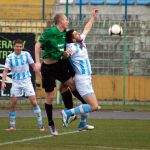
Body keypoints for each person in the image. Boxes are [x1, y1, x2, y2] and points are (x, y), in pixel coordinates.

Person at [34, 13, 93, 135]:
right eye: (66, 19)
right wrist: (37, 62)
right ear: (60, 21)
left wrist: (79, 42)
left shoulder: (65, 32)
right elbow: (38, 45)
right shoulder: (50, 32)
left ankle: (78, 109)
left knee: (71, 84)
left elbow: (74, 38)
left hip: (60, 64)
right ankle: (51, 123)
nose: (68, 21)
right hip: (48, 68)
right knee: (50, 97)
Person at [61, 9, 101, 130]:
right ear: (73, 39)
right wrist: (65, 54)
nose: (79, 34)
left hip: (87, 78)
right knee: (93, 106)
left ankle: (82, 123)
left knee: (88, 104)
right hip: (82, 79)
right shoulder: (72, 46)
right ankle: (67, 113)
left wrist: (93, 17)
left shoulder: (80, 42)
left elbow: (86, 29)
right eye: (76, 34)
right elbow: (66, 54)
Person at [1, 39, 45, 132]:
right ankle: (12, 126)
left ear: (22, 47)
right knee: (13, 104)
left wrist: (42, 78)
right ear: (14, 46)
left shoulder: (26, 55)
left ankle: (41, 125)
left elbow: (34, 66)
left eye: (20, 47)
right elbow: (5, 71)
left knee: (34, 102)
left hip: (26, 81)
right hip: (16, 82)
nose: (19, 48)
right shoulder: (10, 57)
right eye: (17, 46)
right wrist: (3, 82)